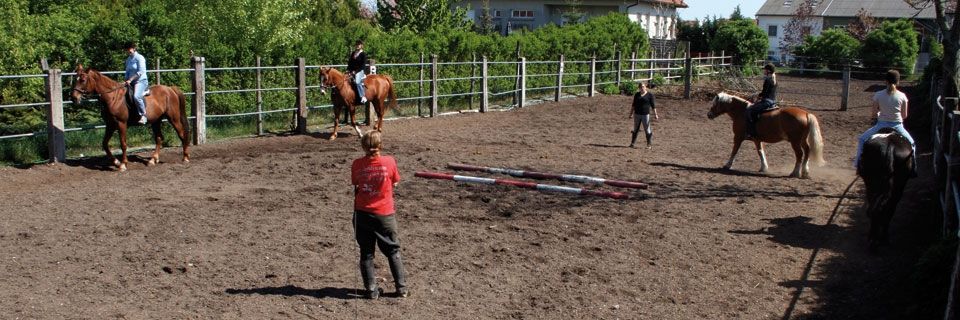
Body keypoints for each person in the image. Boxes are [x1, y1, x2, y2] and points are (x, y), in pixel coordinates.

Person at [351, 130, 407, 299]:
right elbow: (395, 180)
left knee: (366, 252)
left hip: (362, 213)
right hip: (384, 214)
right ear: (380, 146)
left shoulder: (357, 164)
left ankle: (370, 289)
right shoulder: (389, 161)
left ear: (363, 147)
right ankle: (401, 288)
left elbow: (356, 183)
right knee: (392, 250)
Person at [855, 69, 916, 173]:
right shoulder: (902, 96)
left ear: (885, 81)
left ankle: (858, 164)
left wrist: (879, 115)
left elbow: (874, 114)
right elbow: (904, 116)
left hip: (881, 125)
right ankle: (914, 168)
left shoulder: (878, 95)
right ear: (898, 82)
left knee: (862, 139)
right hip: (897, 126)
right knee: (912, 144)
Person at [745, 63, 778, 138]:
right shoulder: (774, 80)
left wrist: (756, 96)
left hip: (767, 101)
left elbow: (764, 93)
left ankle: (751, 133)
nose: (764, 71)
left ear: (768, 71)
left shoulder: (768, 80)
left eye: (765, 70)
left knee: (749, 110)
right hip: (773, 101)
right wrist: (759, 96)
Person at [123, 41, 149, 124]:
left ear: (134, 48)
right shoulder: (128, 60)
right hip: (131, 82)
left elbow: (141, 71)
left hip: (140, 81)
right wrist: (125, 80)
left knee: (136, 96)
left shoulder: (140, 58)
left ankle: (143, 116)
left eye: (129, 49)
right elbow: (127, 72)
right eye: (127, 49)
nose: (128, 51)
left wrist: (130, 79)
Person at [628, 81, 658, 149]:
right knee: (635, 129)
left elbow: (653, 106)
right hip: (637, 114)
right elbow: (633, 105)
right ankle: (632, 143)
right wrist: (631, 113)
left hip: (645, 115)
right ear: (639, 88)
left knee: (647, 129)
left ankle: (649, 144)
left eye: (643, 87)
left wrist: (656, 114)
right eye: (641, 87)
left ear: (646, 87)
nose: (642, 88)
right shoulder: (637, 95)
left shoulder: (650, 95)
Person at [347, 39, 369, 104]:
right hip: (352, 71)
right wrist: (348, 70)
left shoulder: (363, 54)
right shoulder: (353, 53)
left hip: (360, 71)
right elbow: (350, 63)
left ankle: (362, 96)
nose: (357, 46)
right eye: (356, 44)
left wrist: (355, 71)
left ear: (361, 46)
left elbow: (363, 65)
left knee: (357, 82)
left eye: (359, 44)